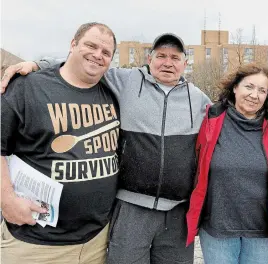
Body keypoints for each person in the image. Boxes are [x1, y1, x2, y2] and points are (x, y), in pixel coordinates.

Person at [1, 33, 212, 264]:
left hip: (177, 212)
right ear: (149, 58)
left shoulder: (199, 99)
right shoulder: (126, 80)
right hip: (131, 207)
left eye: (175, 57)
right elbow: (85, 64)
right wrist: (37, 64)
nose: (168, 63)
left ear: (185, 63)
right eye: (161, 56)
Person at [1, 22, 120, 264]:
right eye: (91, 45)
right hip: (35, 245)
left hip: (96, 242)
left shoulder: (113, 92)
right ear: (73, 44)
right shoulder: (28, 87)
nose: (98, 55)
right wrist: (7, 200)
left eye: (106, 52)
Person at [186, 63, 268, 264]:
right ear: (235, 87)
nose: (255, 95)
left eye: (262, 90)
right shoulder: (210, 118)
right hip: (218, 230)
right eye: (249, 87)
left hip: (263, 232)